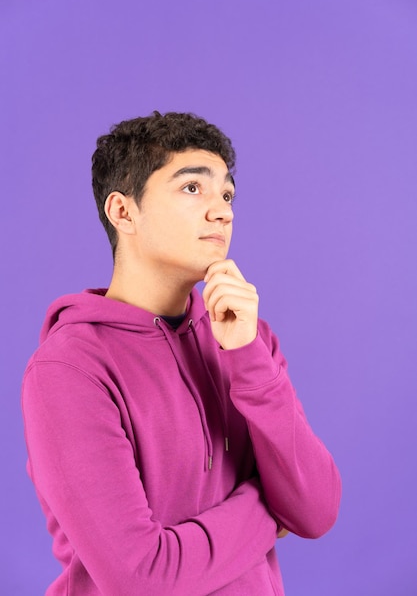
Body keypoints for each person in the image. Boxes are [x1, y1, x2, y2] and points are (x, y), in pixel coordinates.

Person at [22, 111, 341, 595]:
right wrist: (269, 506)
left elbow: (315, 511)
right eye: (193, 188)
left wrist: (249, 360)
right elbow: (141, 579)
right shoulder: (69, 370)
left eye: (227, 194)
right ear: (123, 212)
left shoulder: (245, 338)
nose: (223, 211)